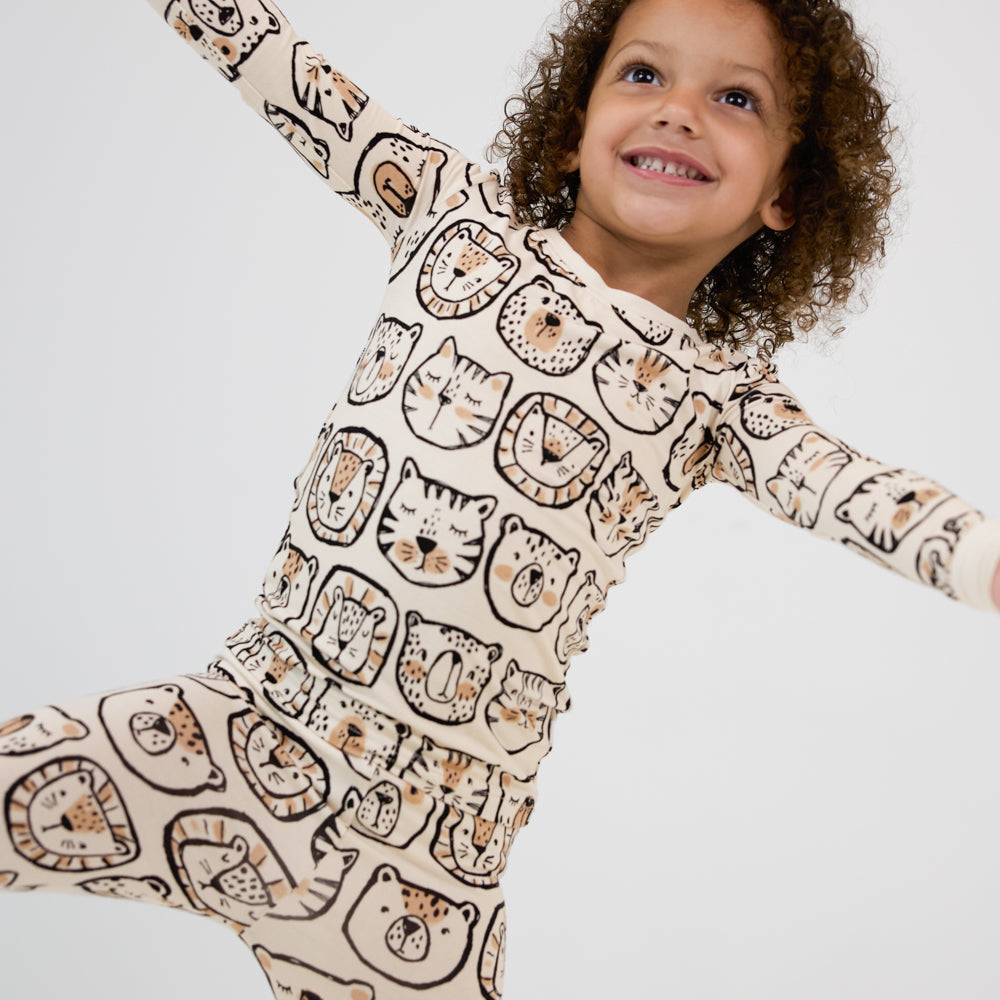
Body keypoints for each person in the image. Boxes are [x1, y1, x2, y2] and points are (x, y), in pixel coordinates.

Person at [1, 0, 997, 997]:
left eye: (735, 97)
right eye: (644, 76)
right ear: (570, 129)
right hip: (225, 739)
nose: (680, 112)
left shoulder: (719, 397)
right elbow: (282, 70)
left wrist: (982, 558)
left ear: (786, 191)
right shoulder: (449, 211)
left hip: (423, 877)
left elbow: (856, 491)